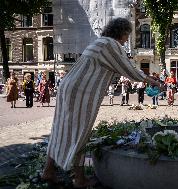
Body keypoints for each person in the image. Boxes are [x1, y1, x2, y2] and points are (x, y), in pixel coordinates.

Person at [42, 17, 162, 188]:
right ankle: (79, 178)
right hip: (81, 91)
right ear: (121, 32)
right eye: (127, 35)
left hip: (68, 87)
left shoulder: (99, 42)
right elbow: (128, 68)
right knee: (80, 131)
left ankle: (49, 170)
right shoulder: (111, 45)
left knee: (60, 129)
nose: (127, 39)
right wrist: (152, 81)